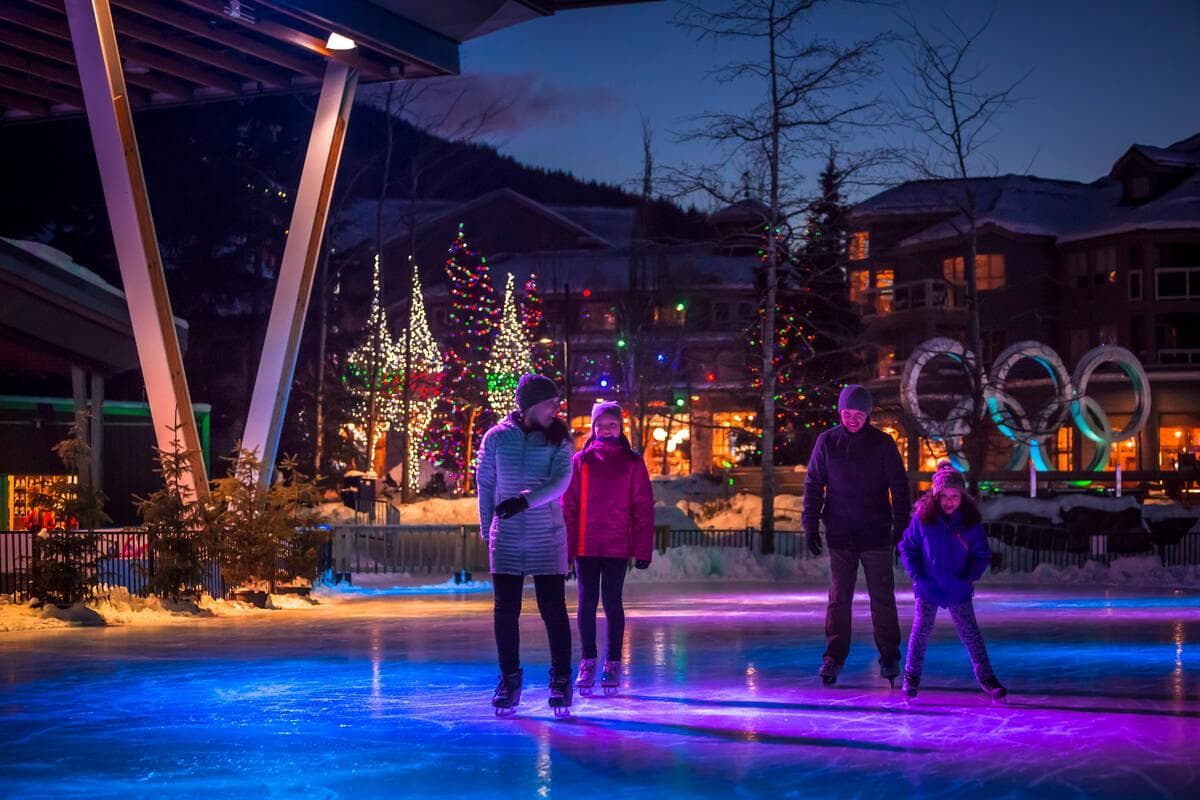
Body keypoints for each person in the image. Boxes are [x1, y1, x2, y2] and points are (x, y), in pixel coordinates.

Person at [476, 373, 575, 716]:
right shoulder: (496, 439)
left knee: (553, 608)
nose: (556, 408)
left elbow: (561, 481)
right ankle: (510, 678)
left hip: (546, 536)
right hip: (506, 537)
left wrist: (524, 501)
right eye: (551, 402)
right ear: (531, 405)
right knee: (505, 610)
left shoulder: (560, 439)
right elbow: (485, 483)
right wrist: (487, 525)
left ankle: (561, 678)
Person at [802, 384, 911, 687]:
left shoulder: (883, 444)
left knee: (883, 600)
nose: (852, 419)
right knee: (839, 600)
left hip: (876, 535)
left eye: (858, 414)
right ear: (840, 412)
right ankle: (834, 656)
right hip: (841, 534)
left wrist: (902, 528)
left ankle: (889, 654)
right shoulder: (828, 442)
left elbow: (899, 488)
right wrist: (810, 523)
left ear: (868, 414)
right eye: (847, 413)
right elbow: (813, 484)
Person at [562, 401, 654, 696]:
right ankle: (588, 660)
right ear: (593, 427)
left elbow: (642, 507)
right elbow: (569, 507)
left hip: (616, 545)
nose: (606, 429)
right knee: (587, 603)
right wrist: (566, 552)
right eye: (600, 425)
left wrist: (642, 549)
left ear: (620, 426)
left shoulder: (632, 462)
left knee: (612, 602)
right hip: (586, 545)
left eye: (611, 424)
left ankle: (613, 661)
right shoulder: (581, 461)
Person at [898, 461, 1006, 702]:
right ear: (936, 495)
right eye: (944, 495)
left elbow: (981, 554)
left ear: (962, 496)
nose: (949, 501)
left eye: (955, 496)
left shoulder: (969, 522)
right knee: (920, 632)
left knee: (971, 634)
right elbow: (908, 547)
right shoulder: (923, 519)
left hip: (958, 588)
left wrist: (968, 576)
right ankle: (911, 676)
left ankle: (987, 678)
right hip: (929, 586)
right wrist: (917, 574)